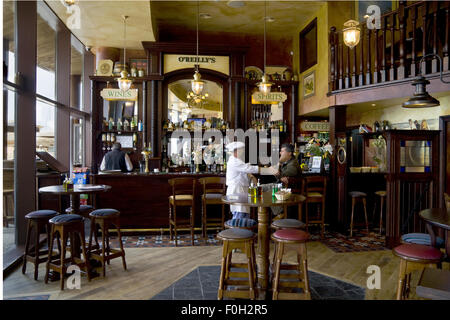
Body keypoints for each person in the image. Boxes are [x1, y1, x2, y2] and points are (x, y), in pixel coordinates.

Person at [225, 141, 277, 227]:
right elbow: (249, 168)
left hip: (240, 190)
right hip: (236, 190)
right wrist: (269, 170)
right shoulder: (234, 161)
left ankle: (243, 235)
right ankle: (237, 235)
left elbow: (245, 171)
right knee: (239, 215)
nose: (242, 152)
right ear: (235, 151)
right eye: (241, 150)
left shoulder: (237, 161)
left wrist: (252, 177)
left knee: (244, 214)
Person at [272, 143, 301, 216]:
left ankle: (280, 212)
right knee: (262, 188)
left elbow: (281, 175)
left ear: (289, 153)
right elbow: (279, 175)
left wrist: (278, 163)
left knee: (265, 190)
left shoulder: (293, 164)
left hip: (288, 189)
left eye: (282, 151)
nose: (280, 153)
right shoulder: (288, 162)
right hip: (282, 186)